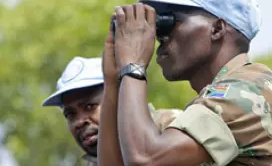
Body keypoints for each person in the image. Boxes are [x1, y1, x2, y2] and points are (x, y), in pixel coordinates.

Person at [98, 0, 272, 165]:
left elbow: (146, 157)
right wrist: (113, 80)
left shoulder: (248, 91)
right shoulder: (215, 102)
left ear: (217, 29)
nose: (160, 37)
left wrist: (133, 65)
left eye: (171, 22)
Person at [41, 56, 182, 166]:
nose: (79, 122)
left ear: (120, 97)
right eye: (70, 114)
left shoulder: (171, 128)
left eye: (90, 107)